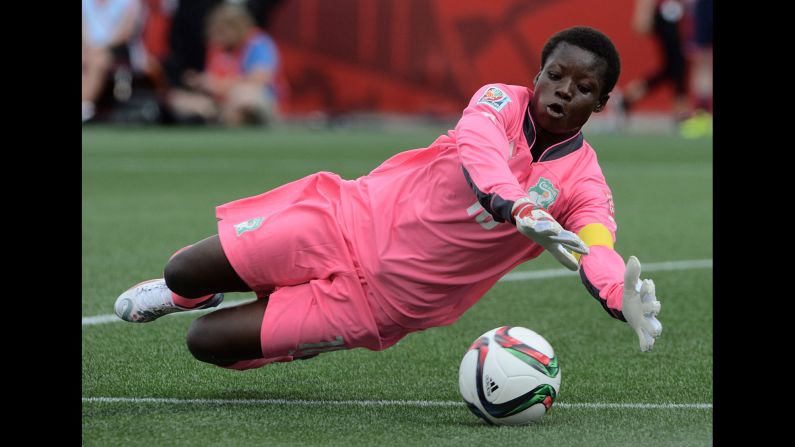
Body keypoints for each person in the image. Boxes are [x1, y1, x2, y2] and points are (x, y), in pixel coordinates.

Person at [114, 27, 663, 371]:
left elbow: (597, 244)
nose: (564, 90)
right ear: (536, 75)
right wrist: (516, 206)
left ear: (603, 102)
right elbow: (481, 155)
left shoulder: (584, 182)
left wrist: (617, 294)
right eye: (555, 75)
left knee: (204, 345)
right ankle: (190, 295)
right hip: (344, 220)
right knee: (184, 270)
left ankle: (294, 340)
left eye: (583, 87)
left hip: (383, 303)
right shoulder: (496, 100)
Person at [165, 2, 281, 125]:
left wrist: (218, 85)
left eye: (222, 31)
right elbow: (213, 80)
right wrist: (201, 82)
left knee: (244, 94)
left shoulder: (258, 43)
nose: (218, 36)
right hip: (221, 101)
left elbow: (258, 79)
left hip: (255, 100)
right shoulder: (219, 49)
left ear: (234, 27)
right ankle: (219, 117)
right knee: (177, 99)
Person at [619, 0, 690, 123]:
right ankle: (681, 110)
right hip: (665, 15)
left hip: (674, 16)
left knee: (671, 67)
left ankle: (629, 97)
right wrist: (643, 14)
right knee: (678, 64)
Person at [82, 0, 143, 122]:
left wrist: (100, 47)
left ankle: (85, 104)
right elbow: (84, 30)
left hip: (117, 50)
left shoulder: (128, 2)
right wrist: (87, 48)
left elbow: (125, 32)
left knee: (98, 60)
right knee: (93, 58)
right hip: (87, 49)